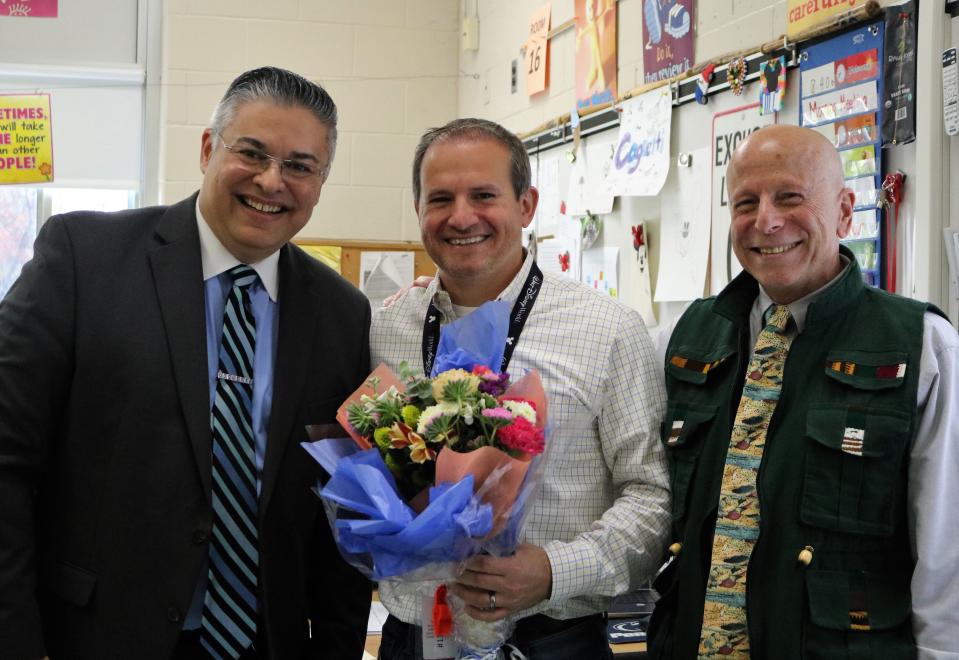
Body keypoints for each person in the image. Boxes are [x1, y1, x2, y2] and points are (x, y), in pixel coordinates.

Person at [0, 67, 372, 660]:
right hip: (92, 638)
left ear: (321, 182)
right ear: (207, 149)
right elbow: (8, 462)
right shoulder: (83, 259)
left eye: (300, 166)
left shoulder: (341, 314)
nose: (272, 181)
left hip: (262, 644)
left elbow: (342, 510)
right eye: (251, 152)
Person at [648, 124, 959, 659]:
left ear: (843, 211)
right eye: (745, 202)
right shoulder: (680, 341)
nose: (765, 221)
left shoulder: (922, 347)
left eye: (789, 197)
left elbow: (945, 557)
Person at [371, 118, 671, 660]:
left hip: (554, 641)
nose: (461, 217)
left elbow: (651, 496)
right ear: (418, 209)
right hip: (412, 640)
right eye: (440, 198)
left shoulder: (608, 329)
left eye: (483, 195)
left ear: (527, 205)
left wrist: (554, 570)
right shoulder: (383, 328)